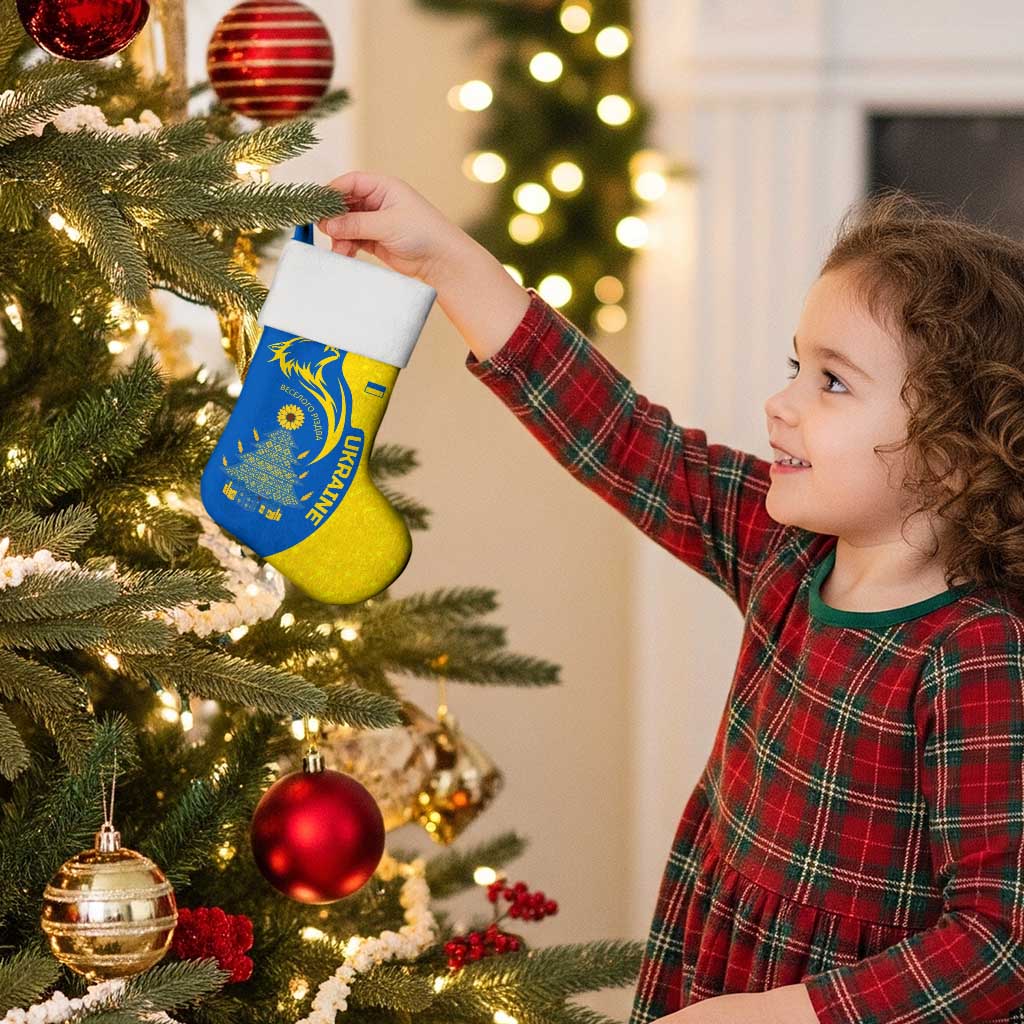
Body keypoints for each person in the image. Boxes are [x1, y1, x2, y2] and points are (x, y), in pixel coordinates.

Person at [318, 174, 1024, 1024]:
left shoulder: (977, 653)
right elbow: (624, 437)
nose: (781, 404)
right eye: (796, 367)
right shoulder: (788, 552)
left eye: (832, 383)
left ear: (954, 454)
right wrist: (447, 260)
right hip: (715, 967)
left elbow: (999, 942)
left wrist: (774, 1017)